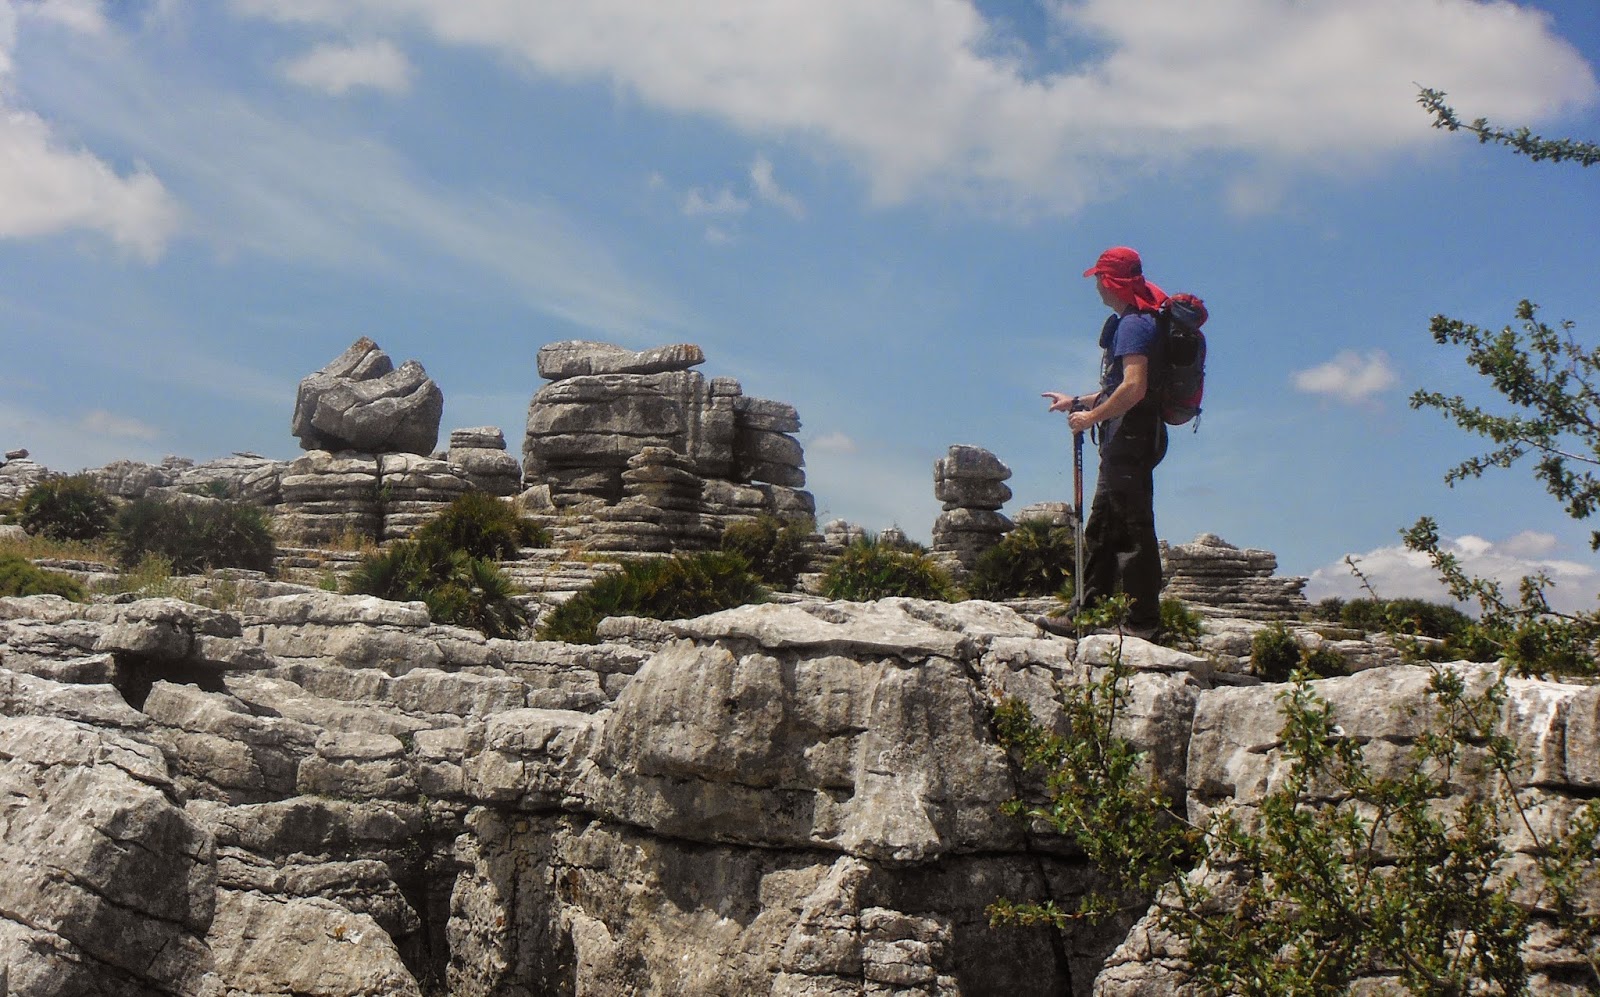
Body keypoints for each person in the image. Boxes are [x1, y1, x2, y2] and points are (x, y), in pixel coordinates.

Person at [1042, 246, 1168, 637]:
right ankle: (1087, 609)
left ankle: (1143, 622)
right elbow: (1120, 390)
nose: (1096, 285)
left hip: (1131, 438)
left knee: (1132, 528)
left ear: (1112, 281)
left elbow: (1133, 388)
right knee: (1103, 526)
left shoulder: (1134, 325)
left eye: (1099, 277)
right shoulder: (1136, 321)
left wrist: (1092, 418)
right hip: (1127, 437)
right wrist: (1076, 403)